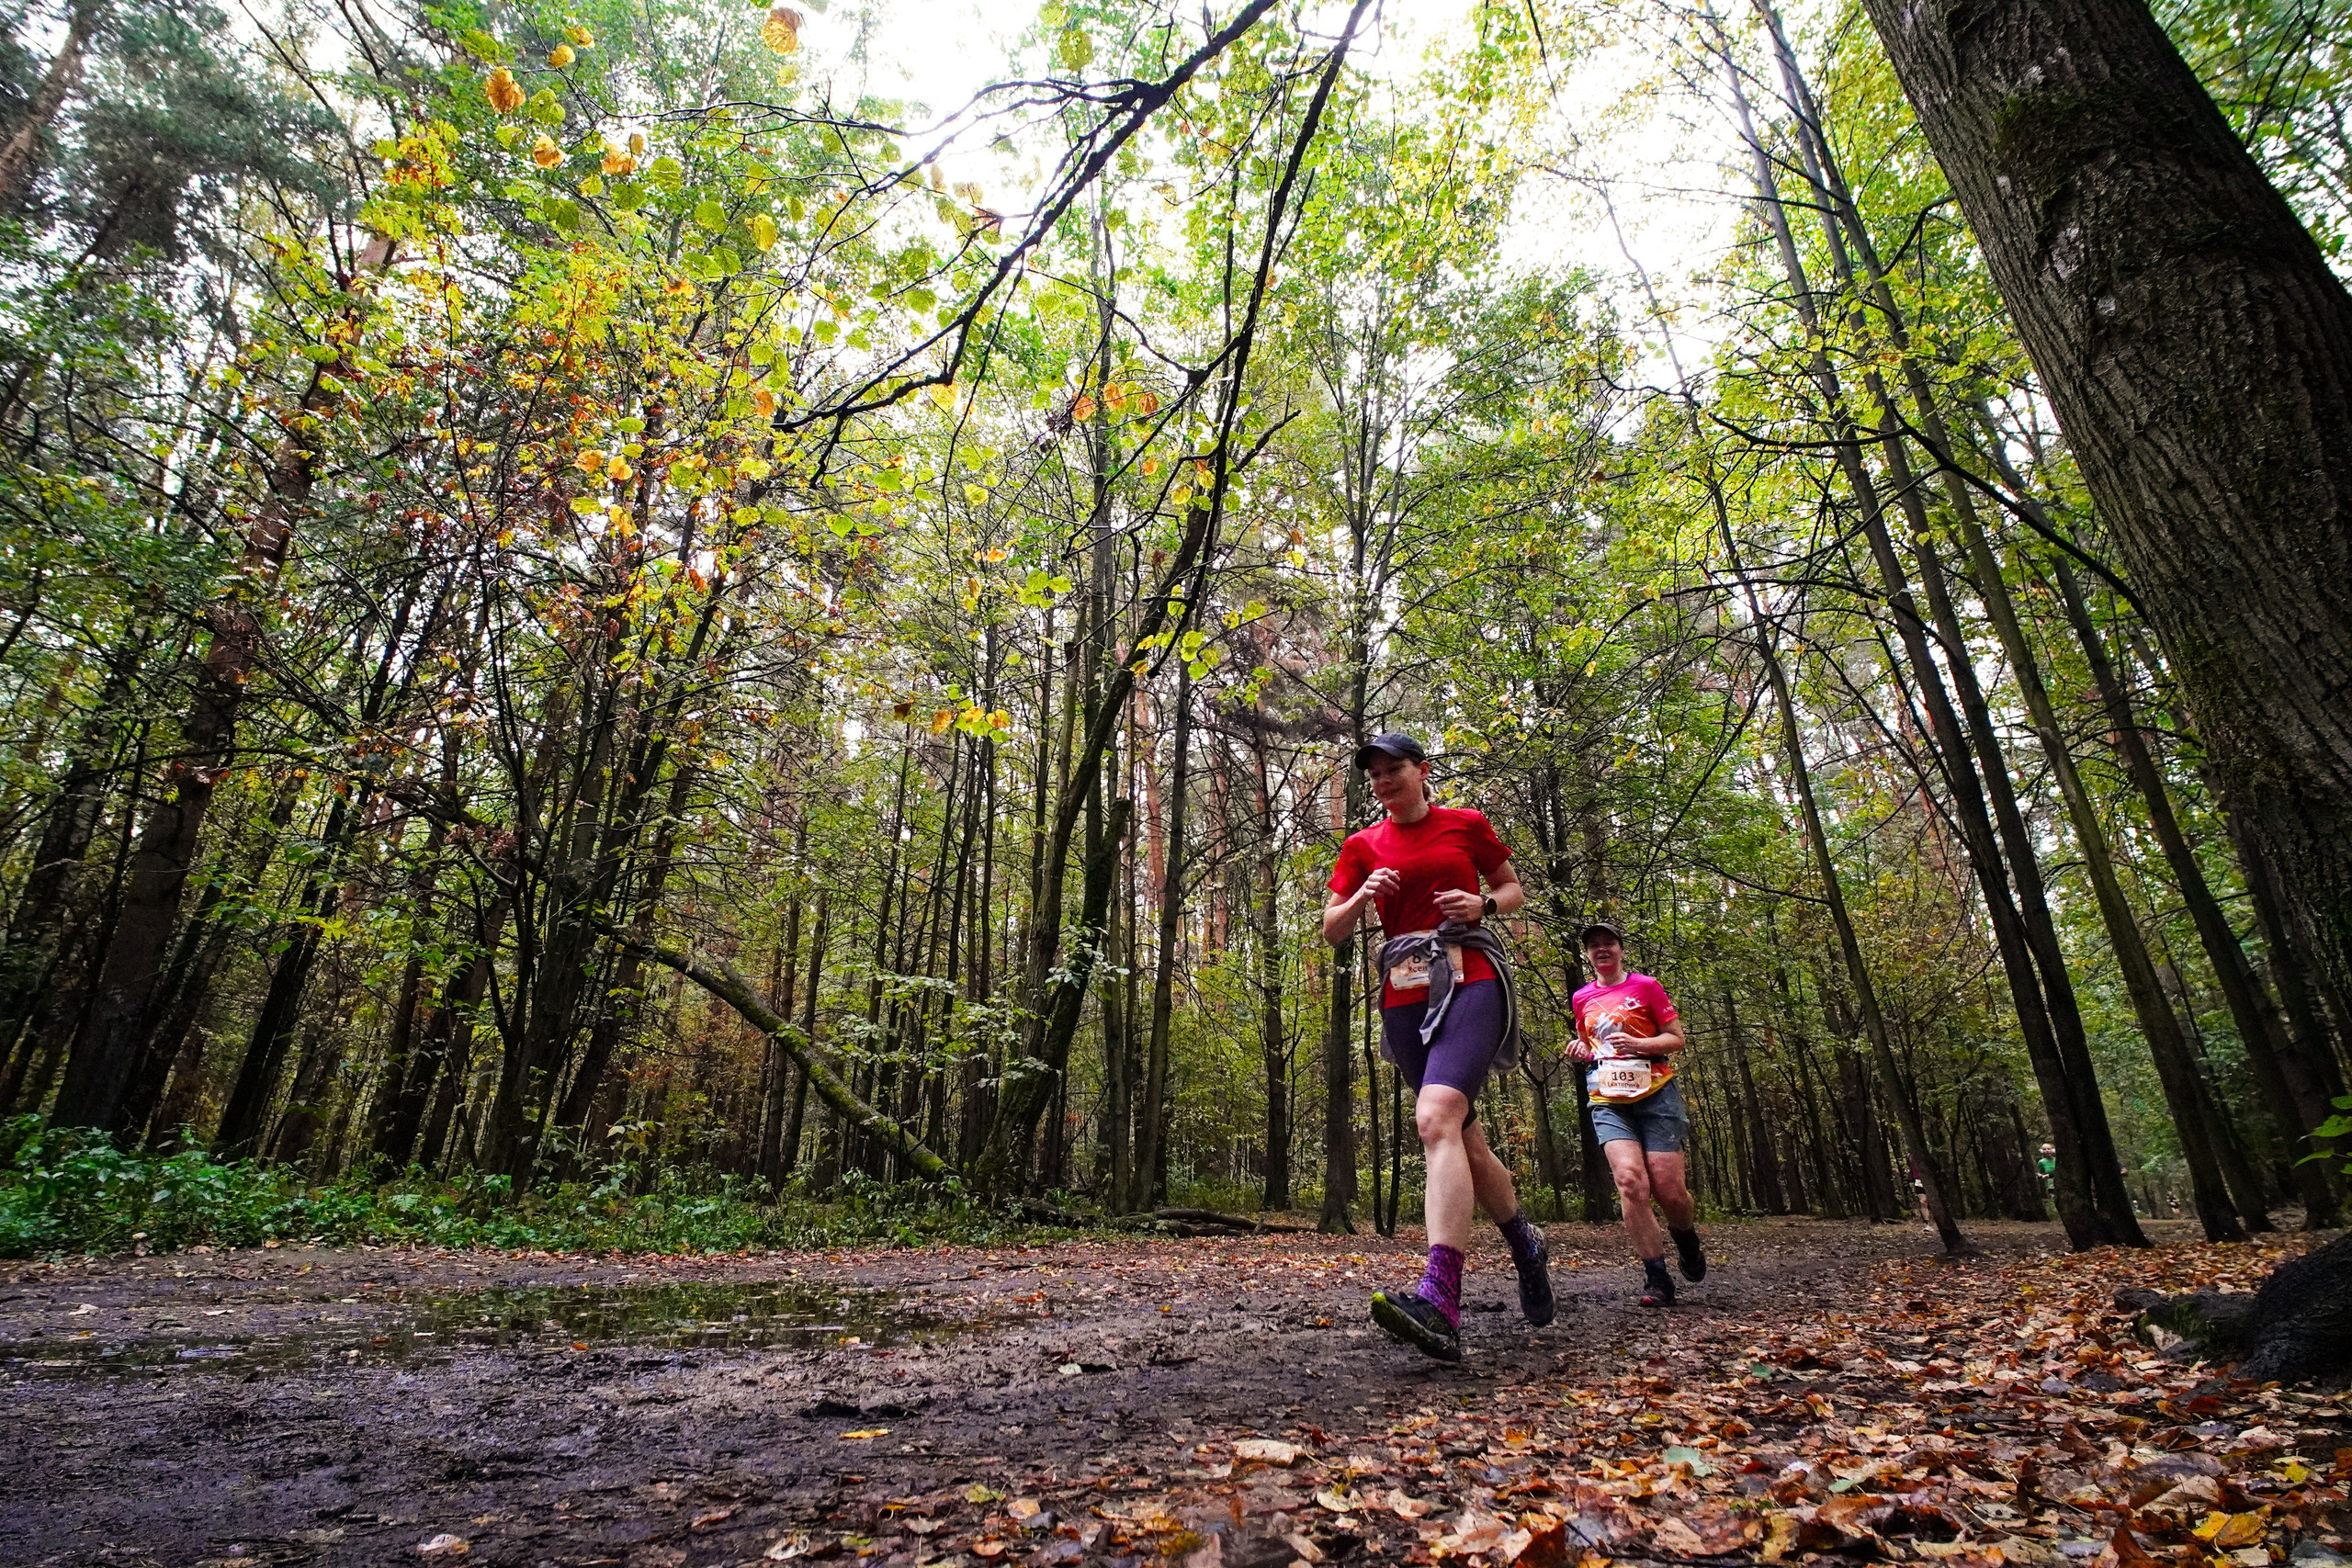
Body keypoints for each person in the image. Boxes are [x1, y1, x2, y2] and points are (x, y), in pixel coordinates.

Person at [1323, 732, 1553, 1363]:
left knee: (1435, 1119)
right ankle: (1524, 1242)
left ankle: (1440, 1298)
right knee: (1464, 1139)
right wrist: (1363, 897)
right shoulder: (1361, 845)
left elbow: (1513, 889)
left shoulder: (1466, 824)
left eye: (1393, 768)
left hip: (1470, 975)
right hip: (1403, 992)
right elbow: (1330, 929)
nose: (1382, 781)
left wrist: (1482, 902)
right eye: (1373, 773)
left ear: (1422, 770)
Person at [1571, 921, 1705, 1307]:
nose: (1602, 949)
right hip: (1607, 1097)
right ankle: (1657, 1278)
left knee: (1669, 1190)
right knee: (1630, 1182)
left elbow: (1675, 1037)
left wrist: (1640, 1043)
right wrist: (1579, 1049)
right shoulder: (1582, 997)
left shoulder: (1646, 986)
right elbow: (1589, 1043)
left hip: (1656, 1094)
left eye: (1608, 943)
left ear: (1620, 949)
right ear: (1589, 954)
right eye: (1594, 945)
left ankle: (1686, 1236)